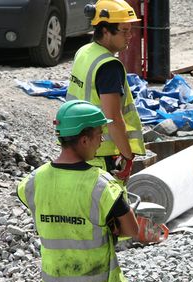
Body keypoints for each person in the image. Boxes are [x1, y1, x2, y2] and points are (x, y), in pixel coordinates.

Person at [17, 100, 174, 282]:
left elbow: (34, 203)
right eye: (99, 134)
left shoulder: (33, 182)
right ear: (85, 138)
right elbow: (132, 230)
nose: (102, 140)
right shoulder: (102, 185)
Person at [66, 0, 146, 181]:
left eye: (130, 30)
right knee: (110, 207)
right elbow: (113, 118)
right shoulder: (109, 66)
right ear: (105, 31)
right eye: (124, 30)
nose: (130, 36)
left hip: (76, 146)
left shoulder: (85, 52)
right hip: (102, 154)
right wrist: (127, 156)